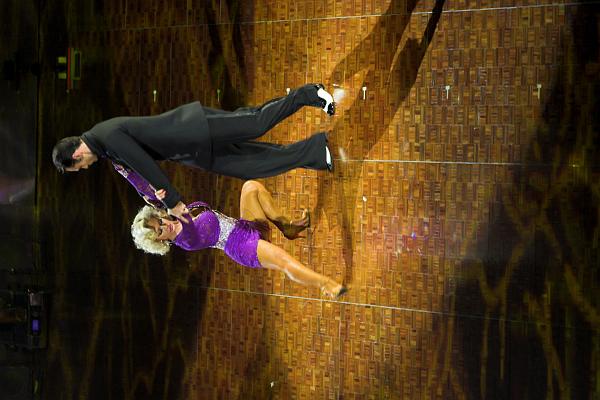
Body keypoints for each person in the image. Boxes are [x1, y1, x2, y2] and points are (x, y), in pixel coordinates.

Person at [52, 84, 336, 220]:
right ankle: (314, 151)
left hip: (194, 128)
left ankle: (309, 94)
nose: (85, 168)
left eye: (79, 167)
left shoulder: (106, 136)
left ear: (76, 156)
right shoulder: (105, 147)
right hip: (192, 151)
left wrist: (172, 200)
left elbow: (143, 164)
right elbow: (140, 171)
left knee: (256, 122)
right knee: (251, 165)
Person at [131, 180, 347, 299]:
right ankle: (326, 285)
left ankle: (286, 226)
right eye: (159, 232)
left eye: (159, 222)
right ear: (160, 241)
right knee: (284, 262)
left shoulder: (172, 215)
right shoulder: (184, 238)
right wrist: (173, 208)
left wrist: (121, 166)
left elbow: (143, 185)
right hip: (242, 246)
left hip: (244, 227)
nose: (164, 226)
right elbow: (186, 220)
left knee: (251, 187)